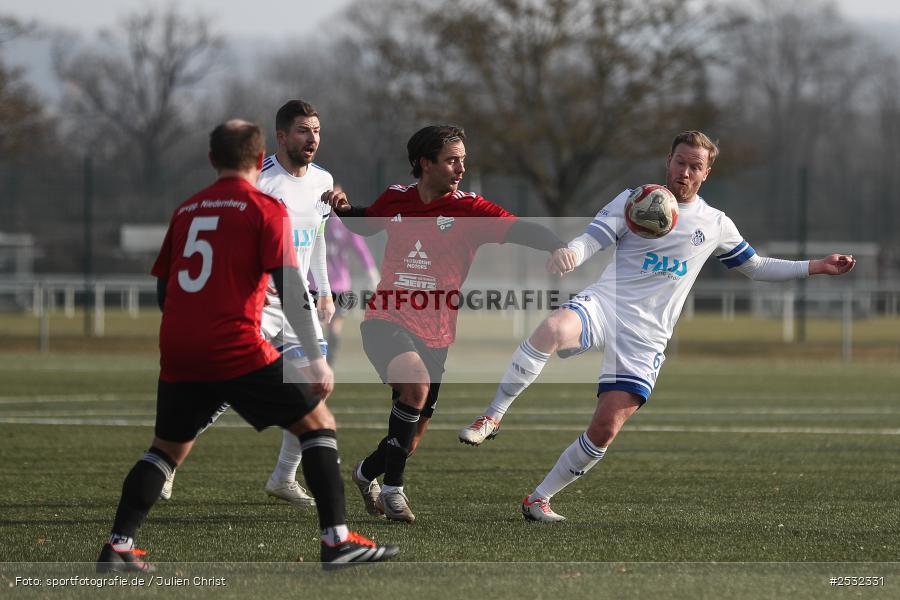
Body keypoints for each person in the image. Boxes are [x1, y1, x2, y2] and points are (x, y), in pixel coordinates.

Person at [458, 130, 857, 522]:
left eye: (694, 166)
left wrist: (816, 267)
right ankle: (492, 416)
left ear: (706, 174)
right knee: (551, 330)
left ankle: (539, 499)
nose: (684, 172)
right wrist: (571, 255)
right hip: (606, 304)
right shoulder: (635, 200)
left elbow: (755, 267)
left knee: (604, 428)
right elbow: (592, 238)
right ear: (668, 162)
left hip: (647, 336)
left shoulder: (716, 223)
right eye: (680, 162)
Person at [96, 119, 397, 572]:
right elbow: (291, 286)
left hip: (180, 346)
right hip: (235, 343)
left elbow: (164, 289)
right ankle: (336, 541)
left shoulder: (187, 209)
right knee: (318, 424)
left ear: (212, 159)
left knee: (165, 450)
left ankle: (118, 545)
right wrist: (317, 359)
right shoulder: (264, 207)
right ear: (261, 159)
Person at [325, 125, 568, 523]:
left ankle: (366, 472)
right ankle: (393, 491)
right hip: (385, 318)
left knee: (411, 438)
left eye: (463, 160)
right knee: (416, 385)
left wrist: (556, 244)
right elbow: (363, 221)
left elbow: (520, 228)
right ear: (425, 163)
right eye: (452, 160)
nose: (460, 168)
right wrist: (341, 205)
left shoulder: (471, 209)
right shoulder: (396, 199)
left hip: (437, 332)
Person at [160, 100, 335, 507]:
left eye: (316, 131)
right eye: (302, 131)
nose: (311, 139)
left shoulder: (323, 180)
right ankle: (166, 463)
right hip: (256, 303)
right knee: (220, 393)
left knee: (313, 384)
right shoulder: (261, 182)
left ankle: (283, 479)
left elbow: (318, 237)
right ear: (280, 137)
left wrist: (322, 289)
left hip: (297, 302)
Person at [312, 215, 380, 366]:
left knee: (317, 327)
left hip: (317, 285)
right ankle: (328, 367)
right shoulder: (345, 225)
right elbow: (361, 250)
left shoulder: (313, 221)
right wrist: (372, 274)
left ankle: (318, 366)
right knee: (333, 327)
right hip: (339, 285)